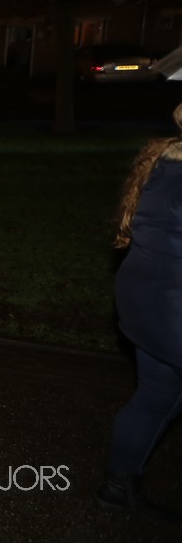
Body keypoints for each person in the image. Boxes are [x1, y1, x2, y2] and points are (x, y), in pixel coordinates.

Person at [97, 104, 182, 521]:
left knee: (155, 396)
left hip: (143, 296)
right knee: (155, 397)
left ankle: (118, 486)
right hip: (174, 306)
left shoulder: (163, 158)